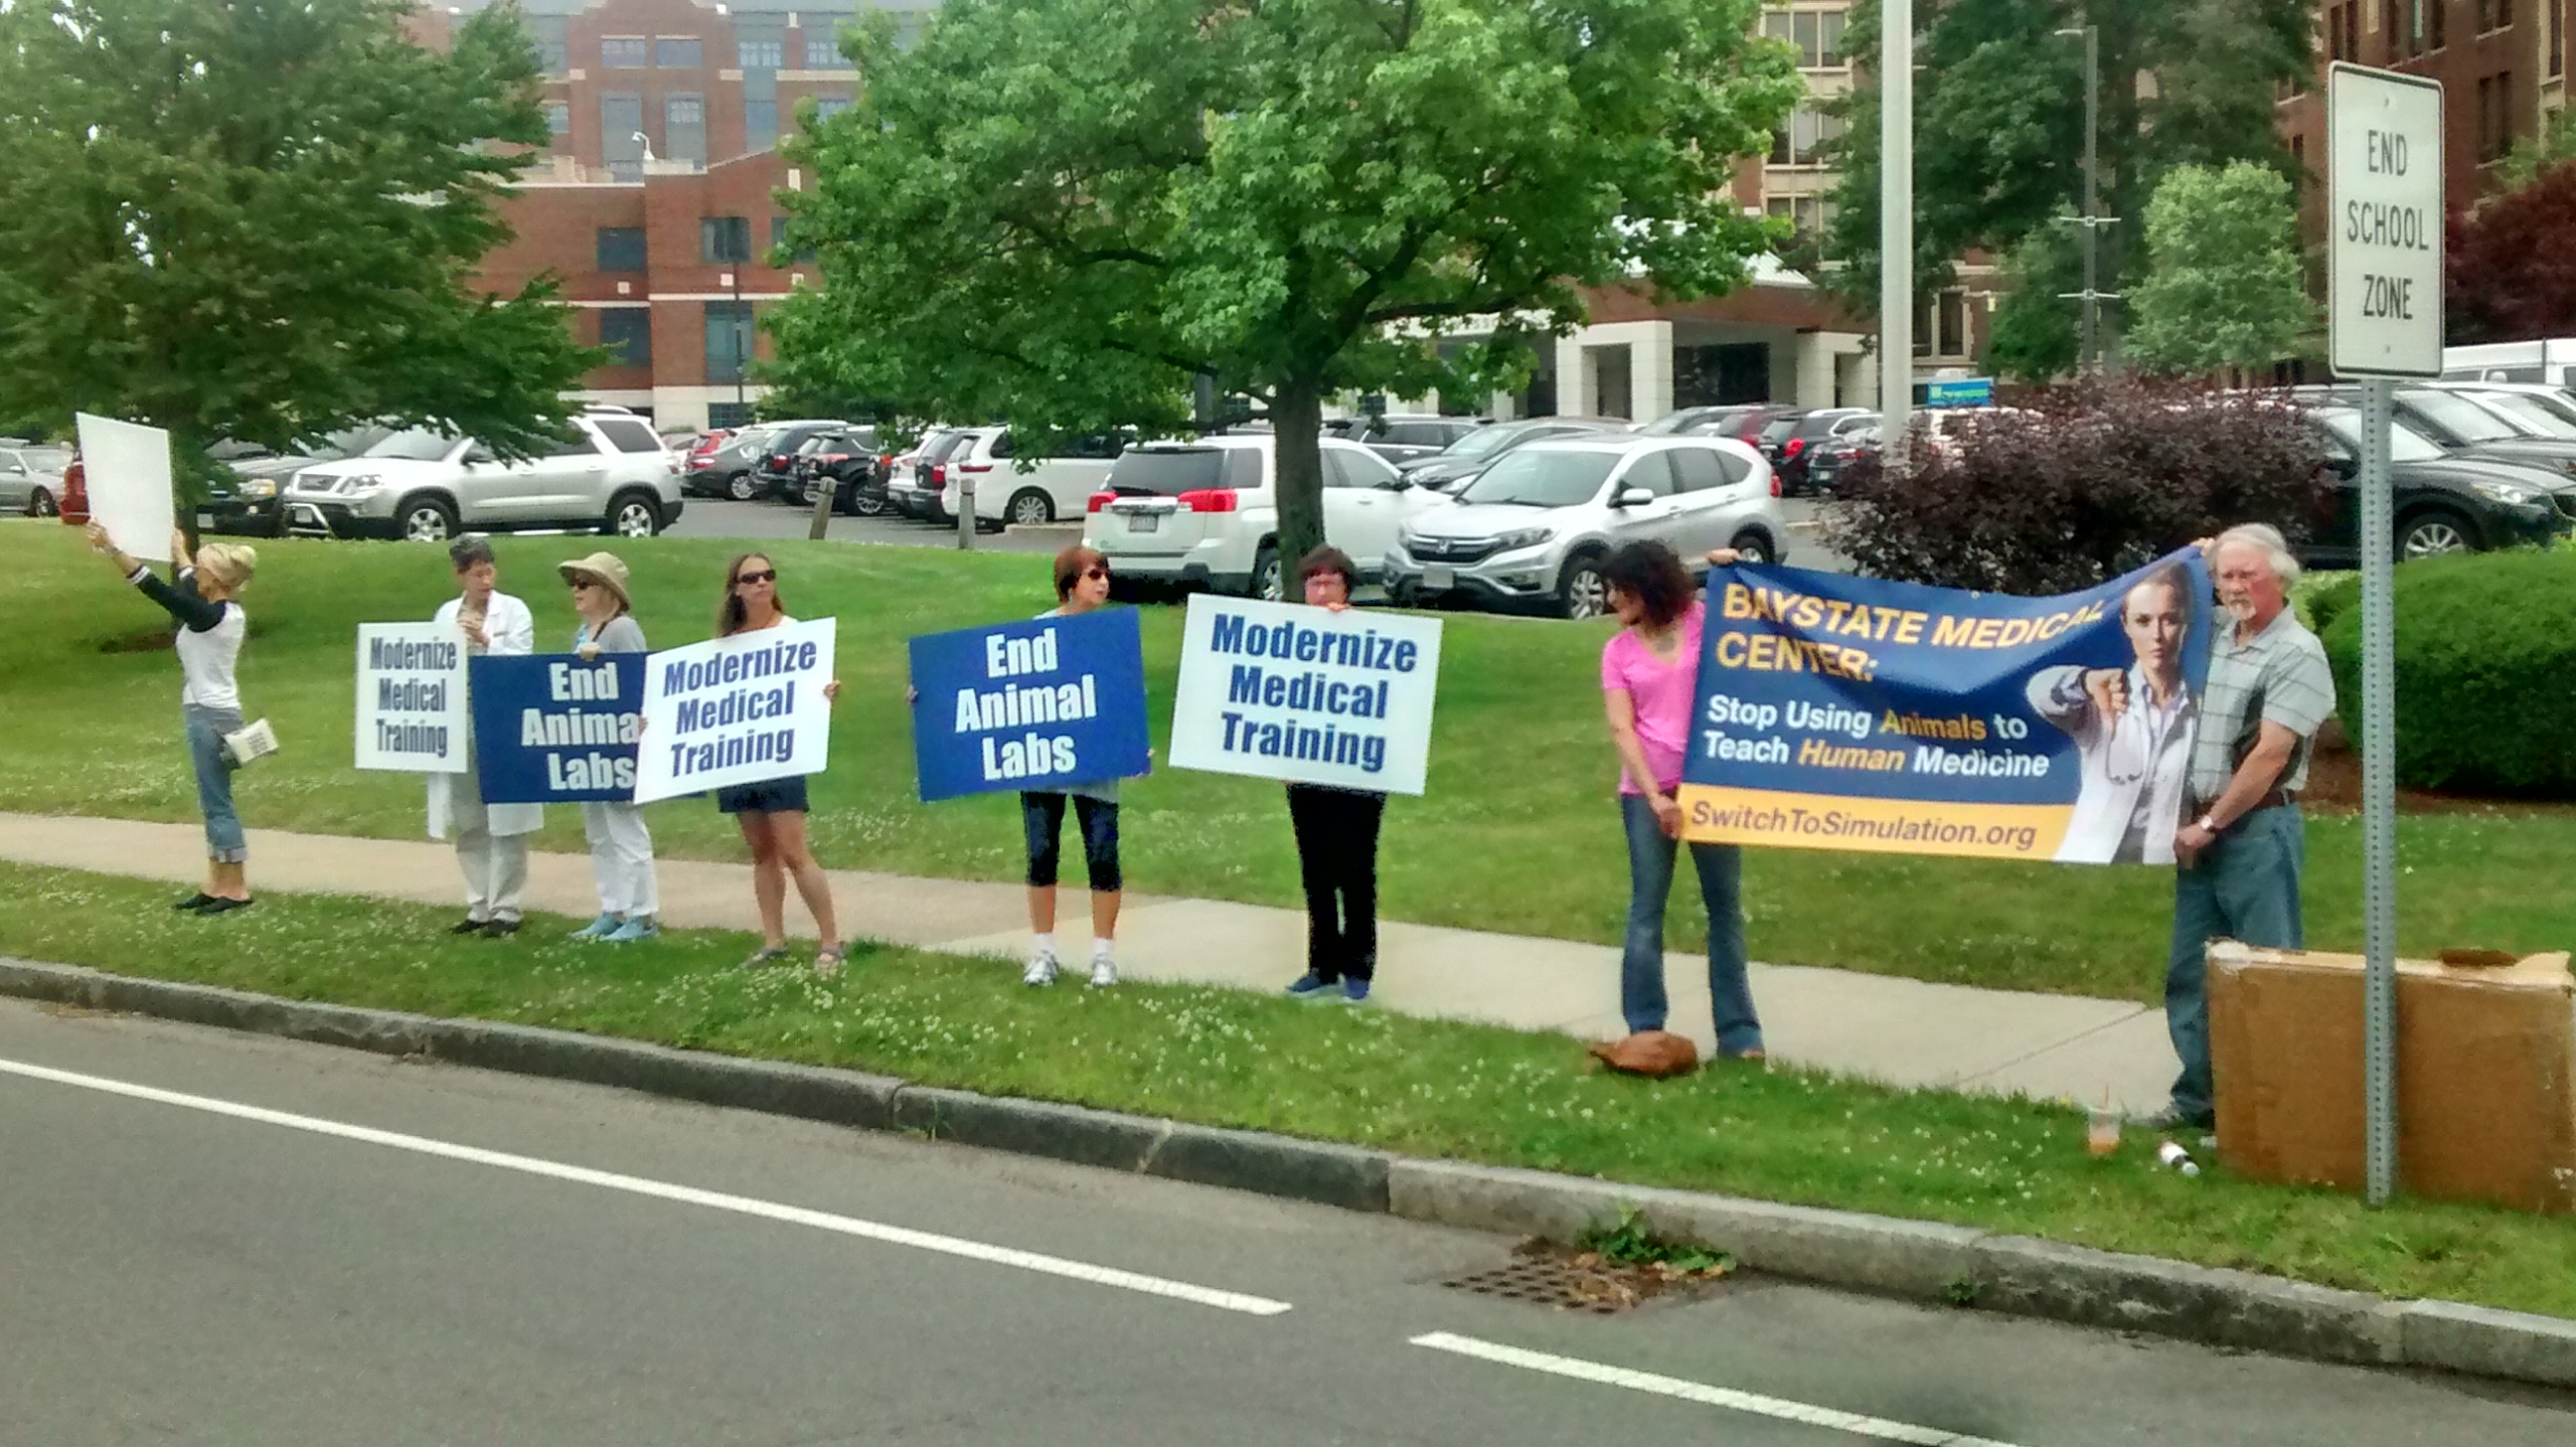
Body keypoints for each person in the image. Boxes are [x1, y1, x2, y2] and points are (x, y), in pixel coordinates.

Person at [2149, 524, 2335, 1131]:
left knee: (2266, 973)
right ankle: (2200, 1106)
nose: (2234, 587)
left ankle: (2276, 1113)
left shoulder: (2297, 653)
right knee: (2190, 975)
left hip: (2254, 833)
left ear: (2278, 579)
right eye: (2225, 577)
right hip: (2199, 835)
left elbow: (2270, 756)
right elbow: (2162, 594)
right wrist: (2195, 554)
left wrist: (2209, 822)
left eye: (2247, 575)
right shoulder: (2218, 636)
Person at [1600, 540, 1764, 1059]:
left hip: (1711, 784)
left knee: (1725, 909)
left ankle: (1740, 1034)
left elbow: (1757, 620)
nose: (1610, 601)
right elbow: (1621, 728)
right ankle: (1646, 1026)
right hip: (1648, 792)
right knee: (1647, 907)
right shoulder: (1618, 652)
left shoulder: (1704, 622)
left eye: (1619, 591)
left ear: (1647, 587)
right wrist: (1655, 798)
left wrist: (1729, 569)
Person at [89, 522, 259, 914]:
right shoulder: (221, 610)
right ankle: (216, 883)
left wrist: (113, 549)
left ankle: (235, 888)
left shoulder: (209, 617)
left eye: (202, 569)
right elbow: (185, 579)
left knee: (218, 803)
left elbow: (158, 588)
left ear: (215, 580)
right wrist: (180, 550)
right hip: (214, 712)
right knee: (213, 800)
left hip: (210, 715)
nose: (193, 573)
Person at [714, 553, 847, 976]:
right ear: (736, 588)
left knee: (794, 851)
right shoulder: (727, 642)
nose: (761, 584)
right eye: (751, 578)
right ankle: (773, 940)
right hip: (738, 757)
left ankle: (830, 940)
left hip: (781, 756)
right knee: (761, 852)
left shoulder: (794, 634)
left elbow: (811, 688)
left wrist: (825, 694)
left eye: (768, 576)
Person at [2027, 563, 2197, 866]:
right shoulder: (2102, 697)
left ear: (2186, 624)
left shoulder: (2201, 710)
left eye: (2169, 620)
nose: (2157, 635)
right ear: (2125, 624)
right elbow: (2038, 691)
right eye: (2143, 621)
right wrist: (2084, 681)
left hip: (2164, 868)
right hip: (2089, 861)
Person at [1281, 547, 1384, 1005]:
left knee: (1357, 869)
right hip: (1307, 773)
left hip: (1360, 775)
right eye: (1313, 583)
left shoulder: (1371, 635)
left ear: (1347, 587)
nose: (1321, 591)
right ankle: (1321, 965)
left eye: (1330, 582)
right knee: (1316, 871)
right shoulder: (1285, 637)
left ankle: (1358, 966)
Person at [1019, 545, 1125, 988]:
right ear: (1069, 584)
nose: (1103, 582)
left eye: (1105, 574)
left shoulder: (1113, 636)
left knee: (1102, 854)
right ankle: (1043, 952)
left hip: (1097, 768)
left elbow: (1122, 702)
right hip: (1043, 765)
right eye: (1093, 574)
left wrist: (1133, 748)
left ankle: (1103, 956)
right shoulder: (1034, 634)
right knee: (1042, 854)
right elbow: (999, 692)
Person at [430, 537, 542, 936]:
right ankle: (479, 904)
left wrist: (486, 640)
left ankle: (506, 908)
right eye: (476, 573)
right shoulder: (446, 614)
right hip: (459, 723)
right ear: (460, 575)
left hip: (502, 721)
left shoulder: (514, 610)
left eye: (489, 570)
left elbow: (521, 663)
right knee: (468, 818)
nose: (486, 579)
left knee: (507, 819)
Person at [560, 551, 660, 943]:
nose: (576, 592)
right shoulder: (582, 635)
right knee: (599, 833)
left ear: (607, 591)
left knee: (626, 830)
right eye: (574, 585)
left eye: (584, 584)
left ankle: (643, 915)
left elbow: (639, 680)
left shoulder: (622, 630)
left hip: (620, 745)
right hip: (589, 745)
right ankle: (612, 907)